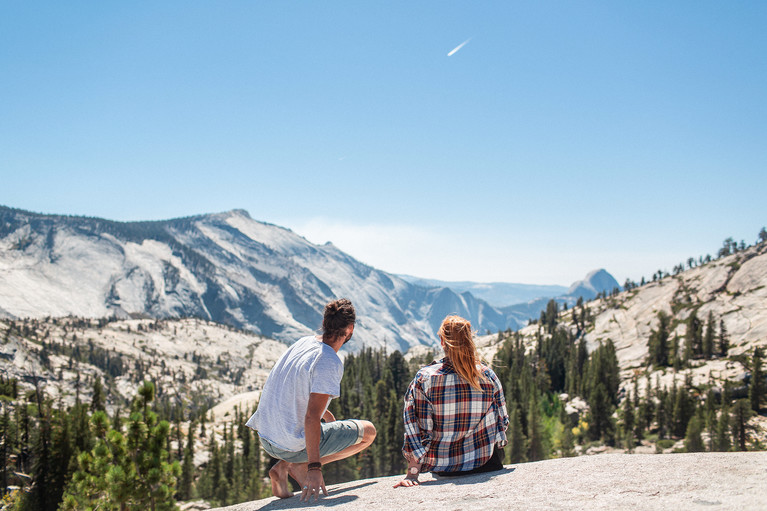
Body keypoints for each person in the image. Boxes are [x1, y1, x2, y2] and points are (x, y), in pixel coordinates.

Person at [246, 298, 376, 501]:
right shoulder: (329, 360)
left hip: (266, 436)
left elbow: (293, 386)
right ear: (350, 328)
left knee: (322, 424)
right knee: (368, 432)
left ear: (325, 323)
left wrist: (324, 411)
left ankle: (283, 466)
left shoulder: (304, 342)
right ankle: (298, 464)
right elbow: (311, 419)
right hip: (288, 445)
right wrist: (314, 467)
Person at [394, 315, 509, 488]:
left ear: (442, 341)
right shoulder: (487, 376)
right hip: (487, 463)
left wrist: (413, 473)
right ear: (470, 340)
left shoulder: (426, 379)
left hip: (445, 467)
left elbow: (418, 429)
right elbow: (503, 421)